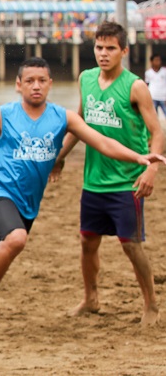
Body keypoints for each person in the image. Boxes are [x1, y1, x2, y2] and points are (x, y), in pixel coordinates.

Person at [0, 57, 165, 324]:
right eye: (29, 80)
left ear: (50, 84)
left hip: (27, 202)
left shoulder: (62, 118)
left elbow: (101, 142)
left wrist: (139, 157)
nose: (36, 86)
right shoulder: (3, 114)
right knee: (17, 238)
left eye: (42, 81)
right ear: (18, 85)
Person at [53, 21, 164, 325]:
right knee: (88, 242)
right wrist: (61, 155)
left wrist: (151, 169)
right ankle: (90, 299)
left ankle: (151, 305)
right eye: (99, 47)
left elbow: (157, 132)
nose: (104, 53)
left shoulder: (135, 86)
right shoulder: (86, 79)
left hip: (128, 181)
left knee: (130, 244)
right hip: (93, 182)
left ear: (124, 51)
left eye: (111, 48)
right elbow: (80, 123)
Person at [145, 54, 166, 119]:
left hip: (163, 96)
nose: (157, 62)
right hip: (153, 96)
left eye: (159, 60)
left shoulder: (164, 71)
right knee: (154, 116)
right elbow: (147, 84)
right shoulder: (148, 72)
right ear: (151, 61)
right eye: (156, 60)